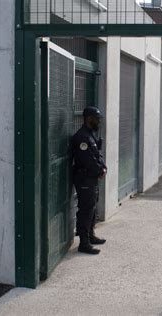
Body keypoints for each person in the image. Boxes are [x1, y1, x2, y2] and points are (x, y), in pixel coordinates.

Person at [71, 106, 107, 255]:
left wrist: (103, 168)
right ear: (88, 119)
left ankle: (90, 235)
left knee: (91, 207)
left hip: (91, 178)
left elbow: (97, 156)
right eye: (96, 118)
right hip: (84, 179)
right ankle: (84, 243)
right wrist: (99, 170)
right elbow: (87, 161)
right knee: (86, 209)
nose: (99, 121)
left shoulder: (90, 135)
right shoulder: (81, 137)